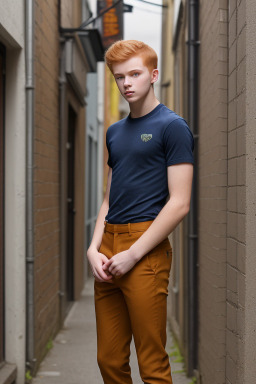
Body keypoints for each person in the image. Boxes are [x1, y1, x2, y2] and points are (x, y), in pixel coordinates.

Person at [87, 39, 194, 384]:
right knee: (109, 360)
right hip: (108, 248)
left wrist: (133, 254)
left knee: (152, 363)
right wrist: (93, 248)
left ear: (153, 75)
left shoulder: (172, 127)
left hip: (144, 250)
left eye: (135, 74)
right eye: (120, 77)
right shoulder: (114, 132)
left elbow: (179, 203)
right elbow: (108, 198)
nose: (127, 83)